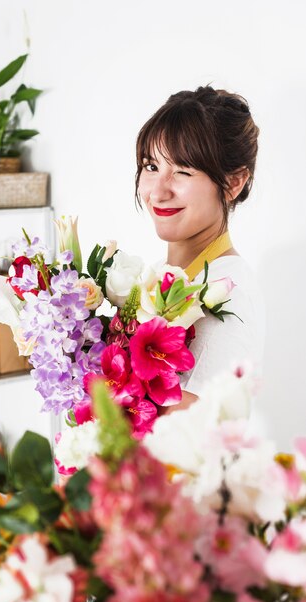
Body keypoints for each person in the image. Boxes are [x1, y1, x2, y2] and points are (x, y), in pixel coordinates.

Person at [135, 86, 265, 412]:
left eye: (182, 171)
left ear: (233, 182)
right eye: (151, 166)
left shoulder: (227, 290)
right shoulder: (159, 276)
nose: (158, 192)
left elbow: (200, 431)